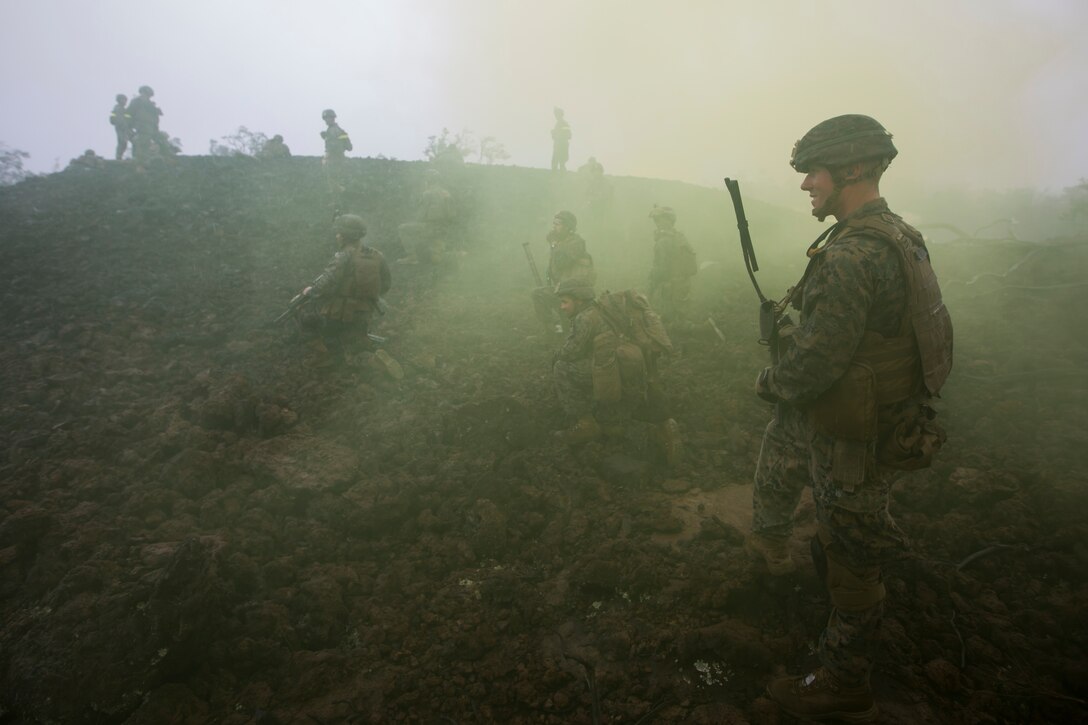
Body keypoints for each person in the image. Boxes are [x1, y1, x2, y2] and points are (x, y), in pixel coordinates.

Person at [749, 115, 953, 722]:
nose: (806, 184)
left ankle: (843, 683)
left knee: (854, 559)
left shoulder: (851, 255)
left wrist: (770, 381)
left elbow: (814, 363)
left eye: (814, 173)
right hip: (875, 418)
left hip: (853, 439)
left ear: (854, 171)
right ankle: (770, 548)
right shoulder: (899, 234)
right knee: (782, 444)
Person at [551, 279, 682, 463]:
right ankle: (664, 428)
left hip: (615, 373)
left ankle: (584, 423)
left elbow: (572, 352)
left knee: (561, 368)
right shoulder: (607, 310)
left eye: (565, 301)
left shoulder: (586, 317)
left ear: (579, 300)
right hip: (634, 371)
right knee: (613, 422)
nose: (562, 307)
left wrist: (555, 354)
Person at [298, 213, 391, 365]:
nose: (337, 236)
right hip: (364, 314)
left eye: (339, 233)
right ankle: (366, 352)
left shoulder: (342, 256)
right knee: (355, 342)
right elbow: (386, 284)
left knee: (305, 312)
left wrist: (310, 291)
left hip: (338, 316)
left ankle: (326, 352)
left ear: (344, 236)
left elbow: (326, 284)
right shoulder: (376, 255)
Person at [531, 210, 595, 335]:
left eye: (558, 224)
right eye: (554, 224)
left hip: (576, 292)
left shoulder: (576, 242)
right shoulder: (562, 242)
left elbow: (561, 261)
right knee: (540, 294)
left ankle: (556, 329)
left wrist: (554, 245)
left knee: (538, 294)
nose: (554, 227)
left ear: (568, 227)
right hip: (565, 289)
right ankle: (554, 328)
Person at [647, 205, 698, 330]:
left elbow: (661, 269)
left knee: (672, 324)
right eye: (655, 220)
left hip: (671, 287)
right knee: (679, 316)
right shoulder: (679, 236)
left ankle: (703, 329)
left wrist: (651, 286)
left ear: (669, 220)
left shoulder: (663, 241)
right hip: (682, 284)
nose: (657, 222)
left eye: (659, 219)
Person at [126, 86, 175, 164]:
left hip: (152, 126)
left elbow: (154, 117)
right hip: (142, 125)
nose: (148, 95)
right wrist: (129, 126)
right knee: (143, 142)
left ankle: (168, 157)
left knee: (161, 139)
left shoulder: (150, 104)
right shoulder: (137, 101)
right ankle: (141, 161)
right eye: (147, 93)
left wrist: (156, 113)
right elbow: (129, 113)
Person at [320, 109, 352, 192]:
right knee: (337, 180)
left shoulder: (332, 130)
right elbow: (348, 147)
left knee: (333, 182)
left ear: (332, 118)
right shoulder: (340, 130)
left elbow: (334, 146)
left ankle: (337, 200)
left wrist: (326, 158)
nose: (326, 121)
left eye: (327, 118)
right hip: (340, 158)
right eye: (325, 119)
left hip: (334, 159)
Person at [109, 94, 132, 160]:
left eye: (125, 100)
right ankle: (118, 156)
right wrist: (117, 122)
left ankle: (119, 156)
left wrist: (128, 124)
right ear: (119, 100)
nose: (124, 102)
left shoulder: (125, 110)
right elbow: (112, 118)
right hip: (119, 128)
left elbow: (128, 119)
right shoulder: (116, 108)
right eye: (123, 100)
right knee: (122, 142)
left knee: (124, 143)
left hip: (125, 128)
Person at [550, 107, 571, 171]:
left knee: (560, 160)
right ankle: (558, 172)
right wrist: (554, 133)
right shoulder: (561, 123)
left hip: (561, 144)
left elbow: (568, 135)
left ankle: (558, 173)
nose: (555, 116)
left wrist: (554, 132)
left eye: (556, 114)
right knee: (559, 160)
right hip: (560, 144)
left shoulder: (563, 123)